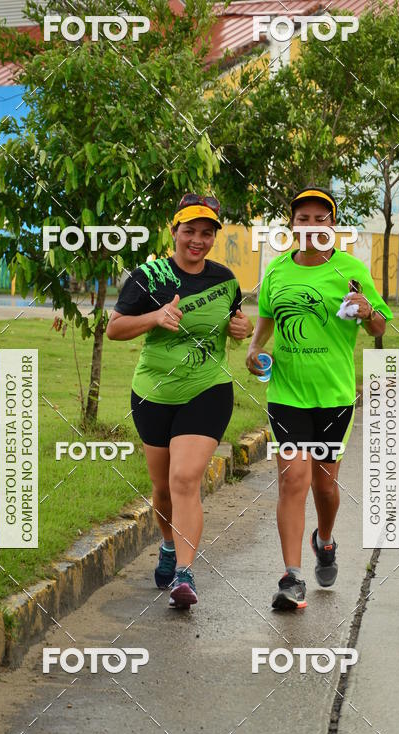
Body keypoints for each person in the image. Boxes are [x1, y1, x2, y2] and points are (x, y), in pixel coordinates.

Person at [246, 186, 393, 611]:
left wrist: (368, 311)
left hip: (333, 396)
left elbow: (379, 328)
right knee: (294, 479)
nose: (311, 226)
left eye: (320, 218)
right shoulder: (276, 272)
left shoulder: (350, 270)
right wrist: (255, 350)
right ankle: (291, 578)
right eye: (302, 218)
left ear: (332, 225)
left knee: (324, 486)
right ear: (292, 225)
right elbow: (267, 321)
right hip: (287, 394)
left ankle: (324, 541)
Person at [106, 194, 253, 609]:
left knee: (185, 479)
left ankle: (185, 575)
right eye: (189, 231)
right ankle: (168, 544)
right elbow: (114, 329)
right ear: (174, 232)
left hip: (207, 390)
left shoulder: (225, 280)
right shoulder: (147, 278)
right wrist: (154, 318)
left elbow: (235, 324)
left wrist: (241, 329)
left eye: (207, 233)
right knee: (162, 487)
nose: (198, 240)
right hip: (154, 393)